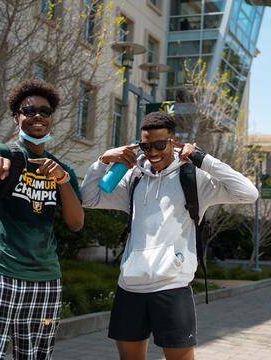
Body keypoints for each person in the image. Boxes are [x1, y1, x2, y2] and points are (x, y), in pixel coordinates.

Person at [80, 111, 258, 360]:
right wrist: (101, 161)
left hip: (172, 286)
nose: (152, 152)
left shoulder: (194, 178)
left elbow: (248, 193)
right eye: (146, 145)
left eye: (159, 145)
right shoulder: (133, 178)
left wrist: (201, 158)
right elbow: (88, 198)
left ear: (173, 142)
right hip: (129, 286)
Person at [0, 78, 84, 359]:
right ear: (16, 117)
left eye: (44, 112)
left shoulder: (63, 170)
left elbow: (76, 223)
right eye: (28, 110)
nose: (37, 116)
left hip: (46, 281)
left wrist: (62, 181)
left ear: (51, 119)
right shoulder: (5, 153)